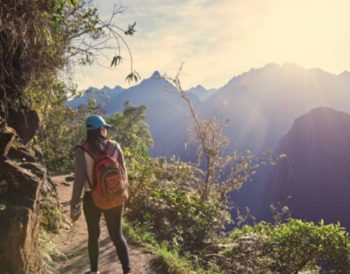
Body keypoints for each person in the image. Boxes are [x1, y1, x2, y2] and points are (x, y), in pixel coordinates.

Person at [70, 115, 131, 274]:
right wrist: (122, 193)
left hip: (92, 198)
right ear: (101, 129)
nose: (106, 130)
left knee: (93, 235)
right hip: (115, 196)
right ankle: (127, 271)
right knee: (117, 236)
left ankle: (94, 271)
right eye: (105, 128)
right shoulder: (115, 146)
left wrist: (74, 204)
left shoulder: (81, 149)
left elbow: (79, 180)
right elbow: (124, 174)